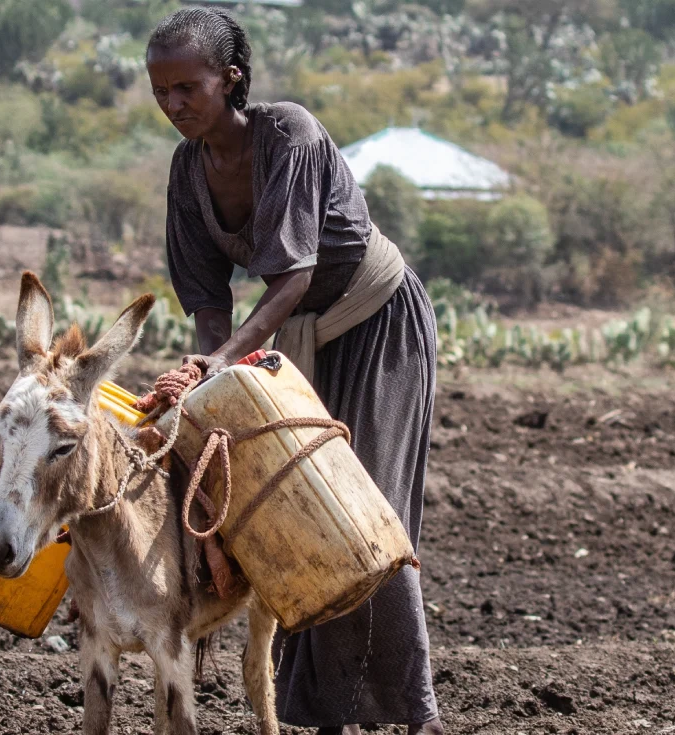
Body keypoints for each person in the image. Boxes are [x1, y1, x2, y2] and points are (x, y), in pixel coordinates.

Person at [144, 7, 445, 735]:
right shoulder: (189, 172)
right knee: (287, 504)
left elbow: (291, 278)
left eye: (188, 88)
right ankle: (327, 715)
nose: (174, 105)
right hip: (292, 336)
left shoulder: (291, 135)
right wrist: (211, 376)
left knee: (363, 515)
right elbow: (208, 302)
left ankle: (420, 717)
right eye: (162, 92)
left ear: (232, 79)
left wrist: (222, 362)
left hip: (375, 321)